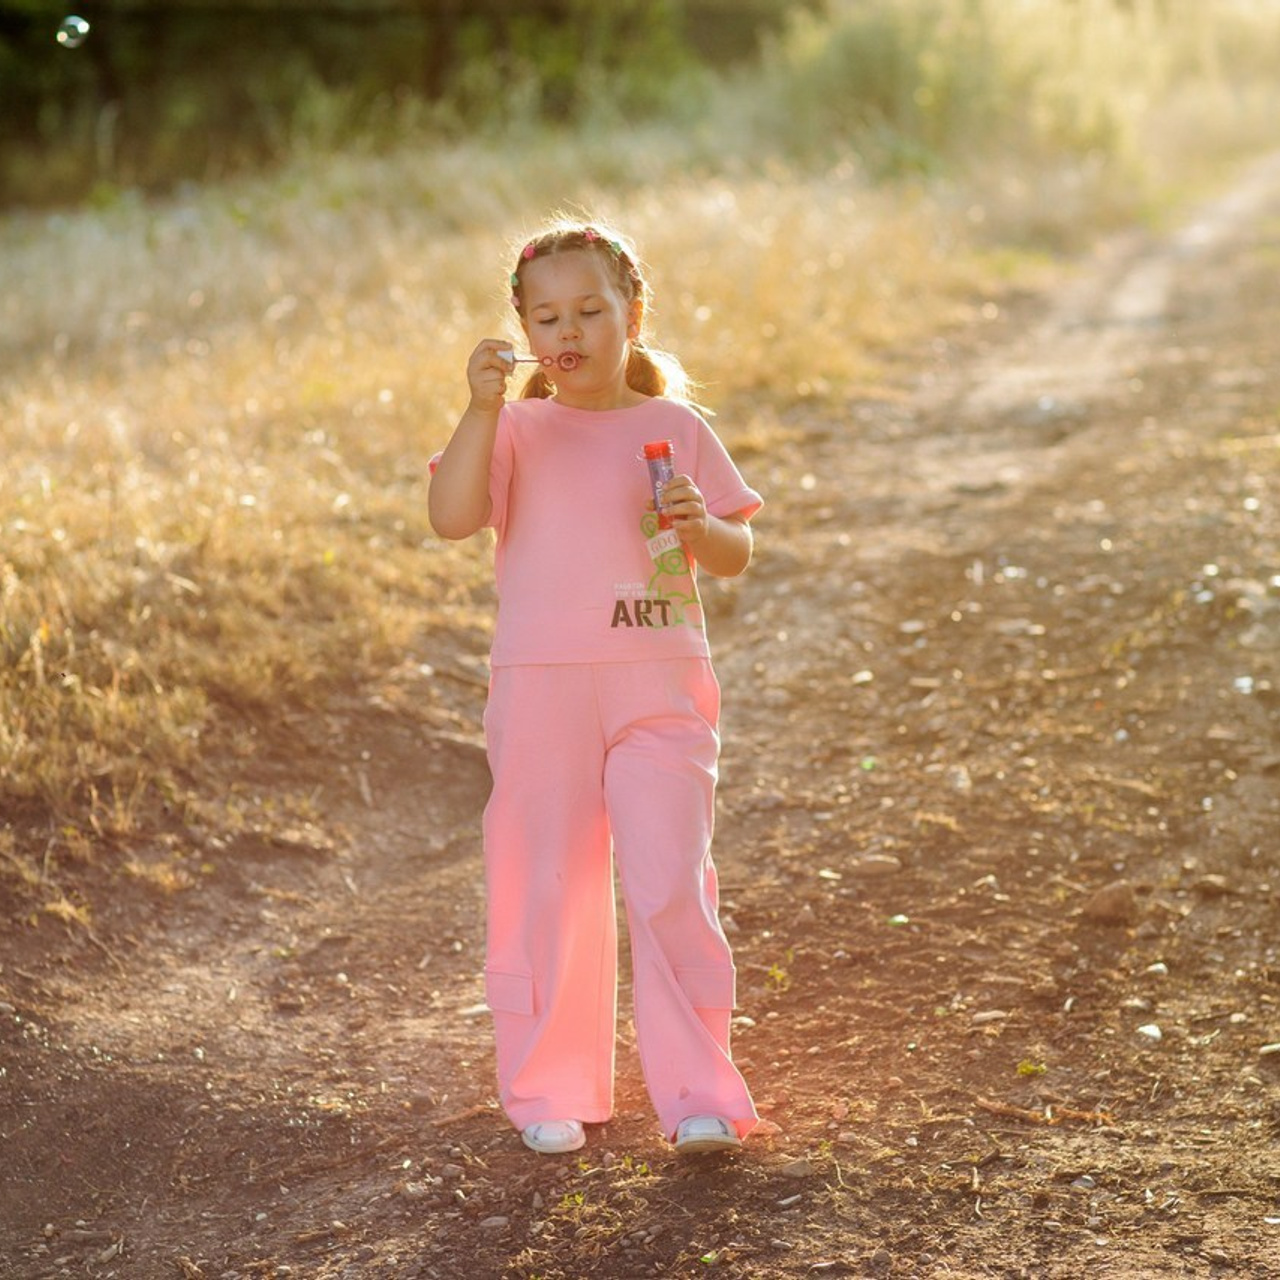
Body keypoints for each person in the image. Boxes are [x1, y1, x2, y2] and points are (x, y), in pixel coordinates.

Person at [428, 216, 761, 1157]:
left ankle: (699, 1092)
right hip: (542, 689)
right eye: (545, 319)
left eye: (588, 311)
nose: (566, 333)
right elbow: (451, 516)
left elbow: (735, 552)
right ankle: (549, 1091)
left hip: (659, 678)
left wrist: (703, 533)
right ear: (523, 333)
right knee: (545, 884)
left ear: (633, 314)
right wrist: (482, 410)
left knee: (668, 880)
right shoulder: (517, 429)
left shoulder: (675, 428)